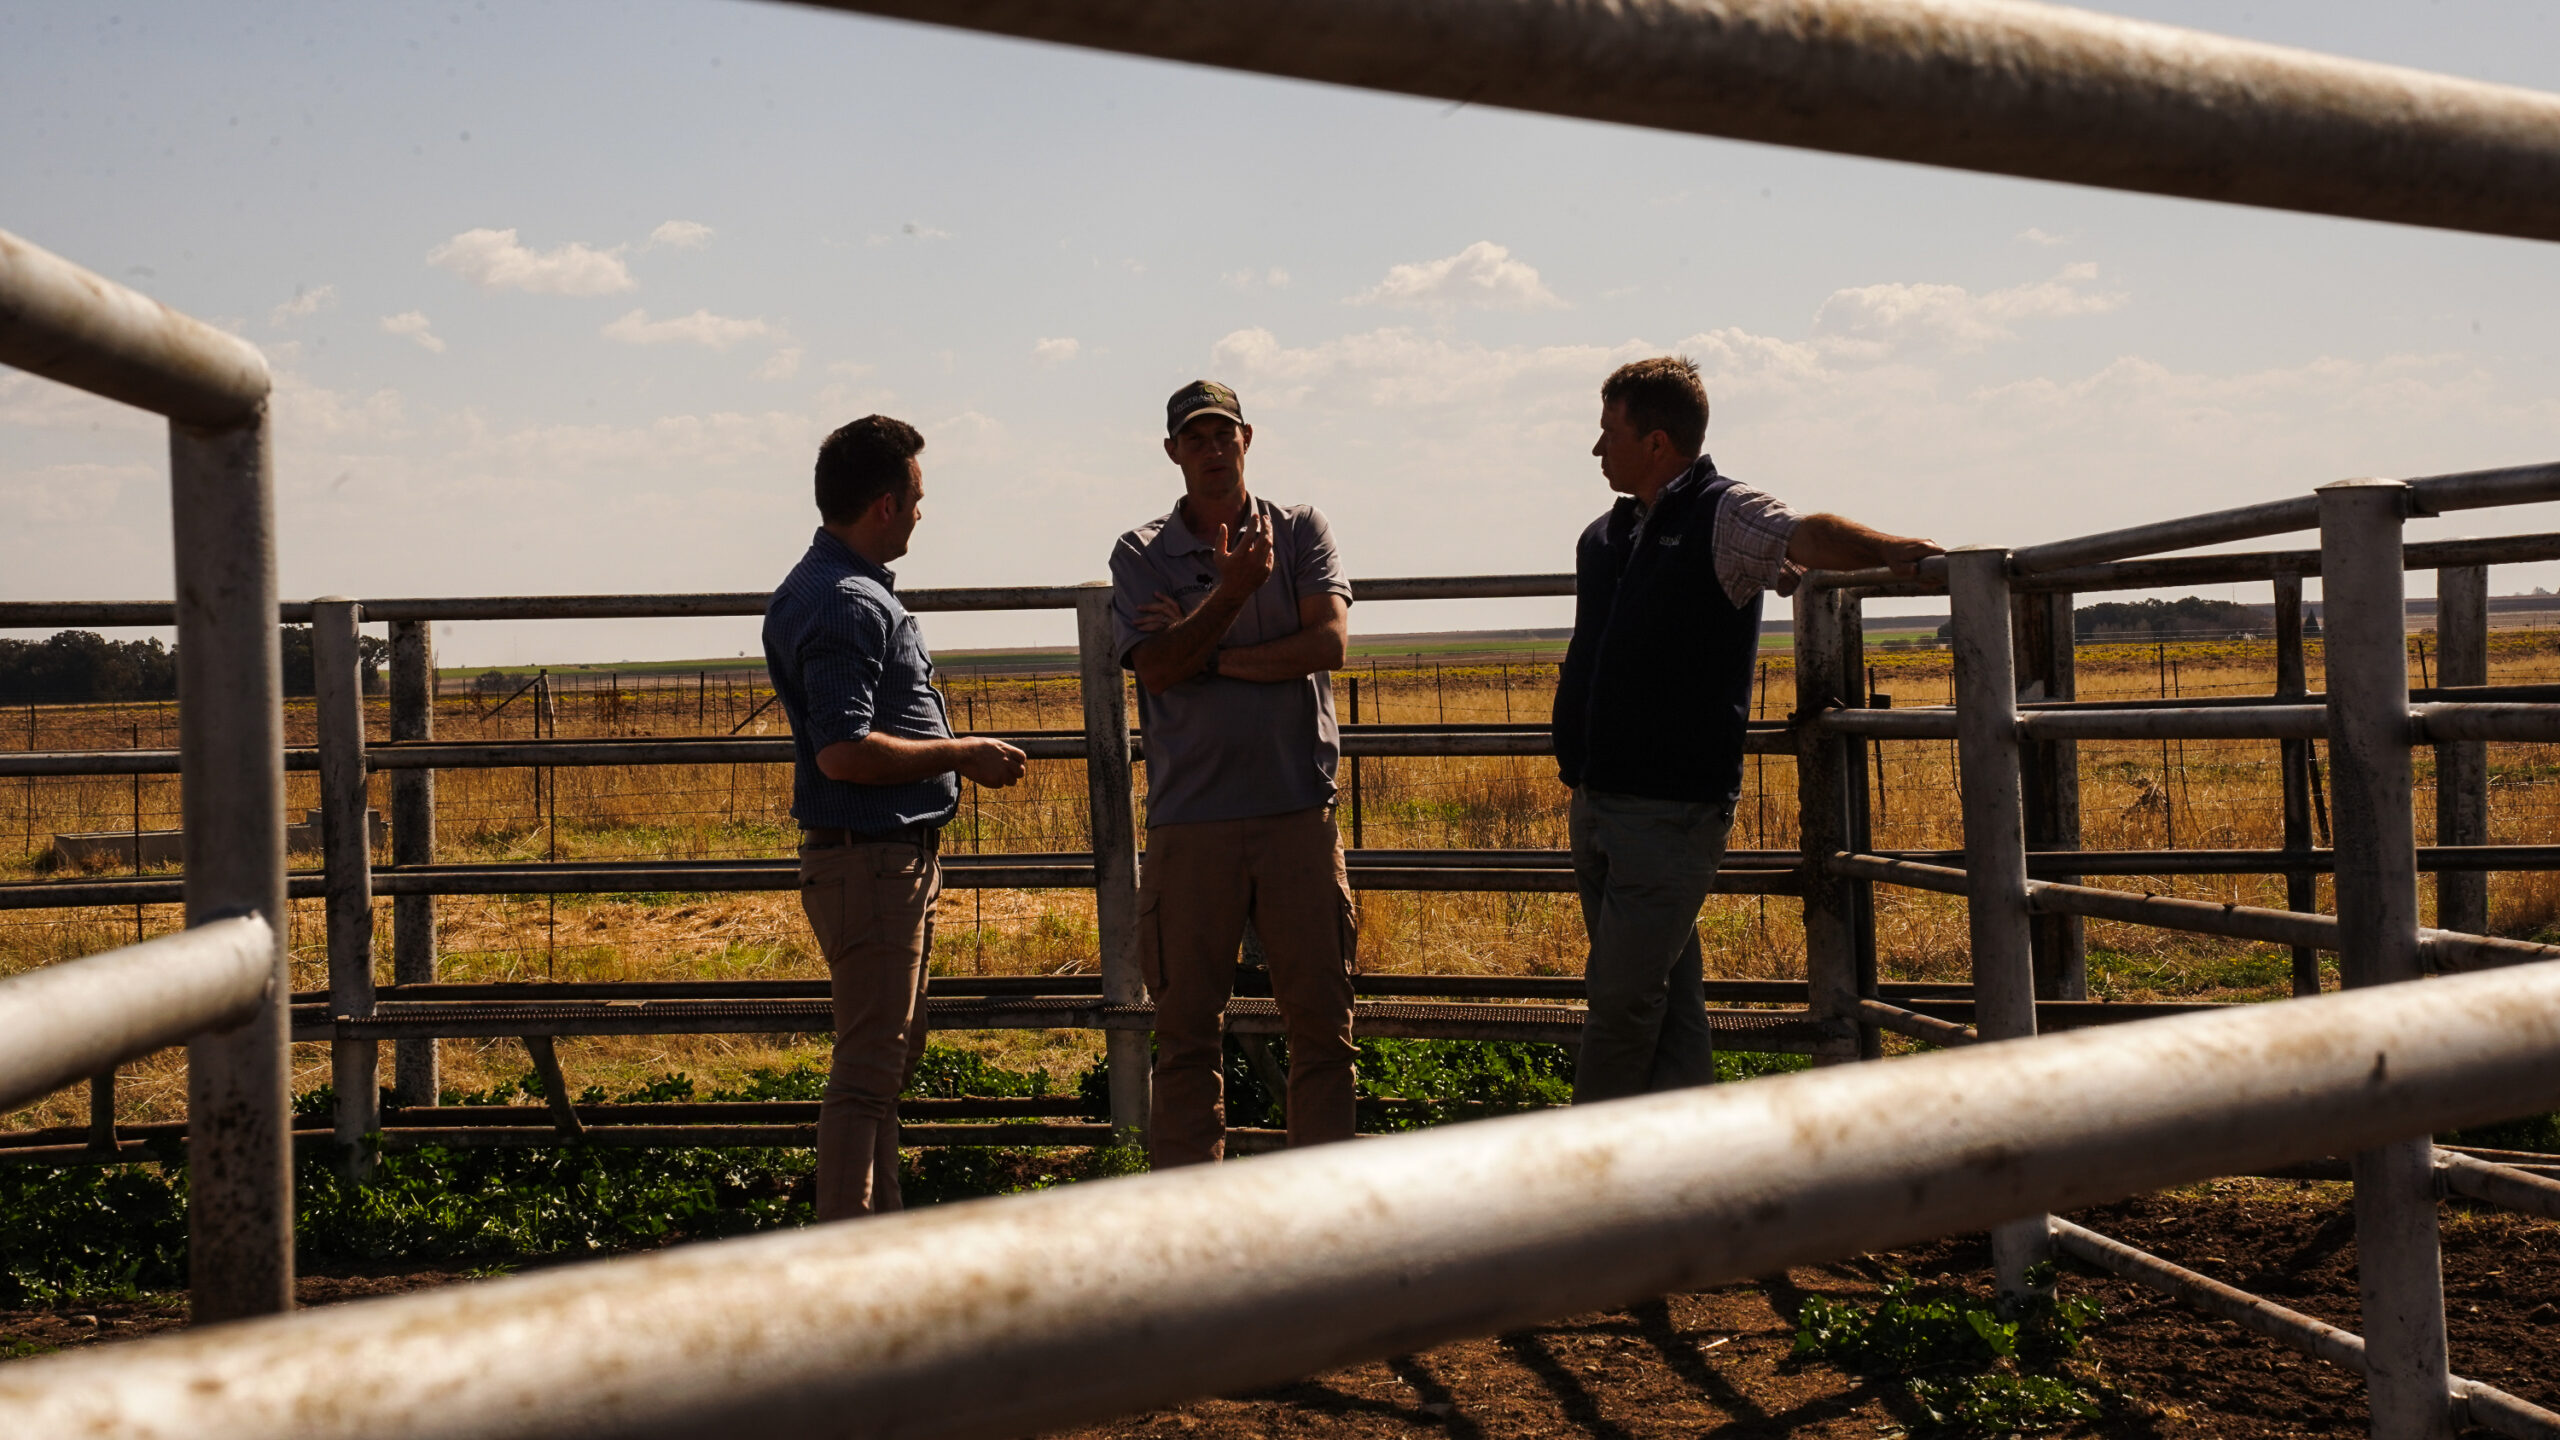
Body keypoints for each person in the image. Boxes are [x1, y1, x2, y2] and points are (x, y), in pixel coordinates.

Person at [1555, 357, 1941, 1104]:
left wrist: (1888, 550)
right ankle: (1702, 1159)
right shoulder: (1605, 537)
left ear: (1658, 442)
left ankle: (1587, 1166)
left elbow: (1804, 535)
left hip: (1670, 809)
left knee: (1621, 1001)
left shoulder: (1723, 515)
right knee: (1667, 998)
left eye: (1609, 432)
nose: (1597, 449)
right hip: (1599, 797)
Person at [763, 414, 1028, 1219]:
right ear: (884, 505)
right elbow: (843, 753)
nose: (920, 511)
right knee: (870, 1070)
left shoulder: (826, 588)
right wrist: (962, 752)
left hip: (874, 859)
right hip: (874, 860)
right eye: (915, 496)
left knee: (883, 1063)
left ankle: (878, 1233)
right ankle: (849, 1249)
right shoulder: (849, 602)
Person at [1112, 380, 1360, 1167]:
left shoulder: (1301, 529)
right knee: (1186, 1031)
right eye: (1196, 438)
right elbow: (1156, 670)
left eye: (1224, 434)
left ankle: (1324, 1206)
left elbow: (1327, 644)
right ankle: (1192, 1215)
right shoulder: (1141, 553)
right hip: (1192, 820)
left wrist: (1207, 653)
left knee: (1322, 1026)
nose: (1213, 450)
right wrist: (1234, 594)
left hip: (1298, 810)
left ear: (1248, 439)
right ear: (1172, 452)